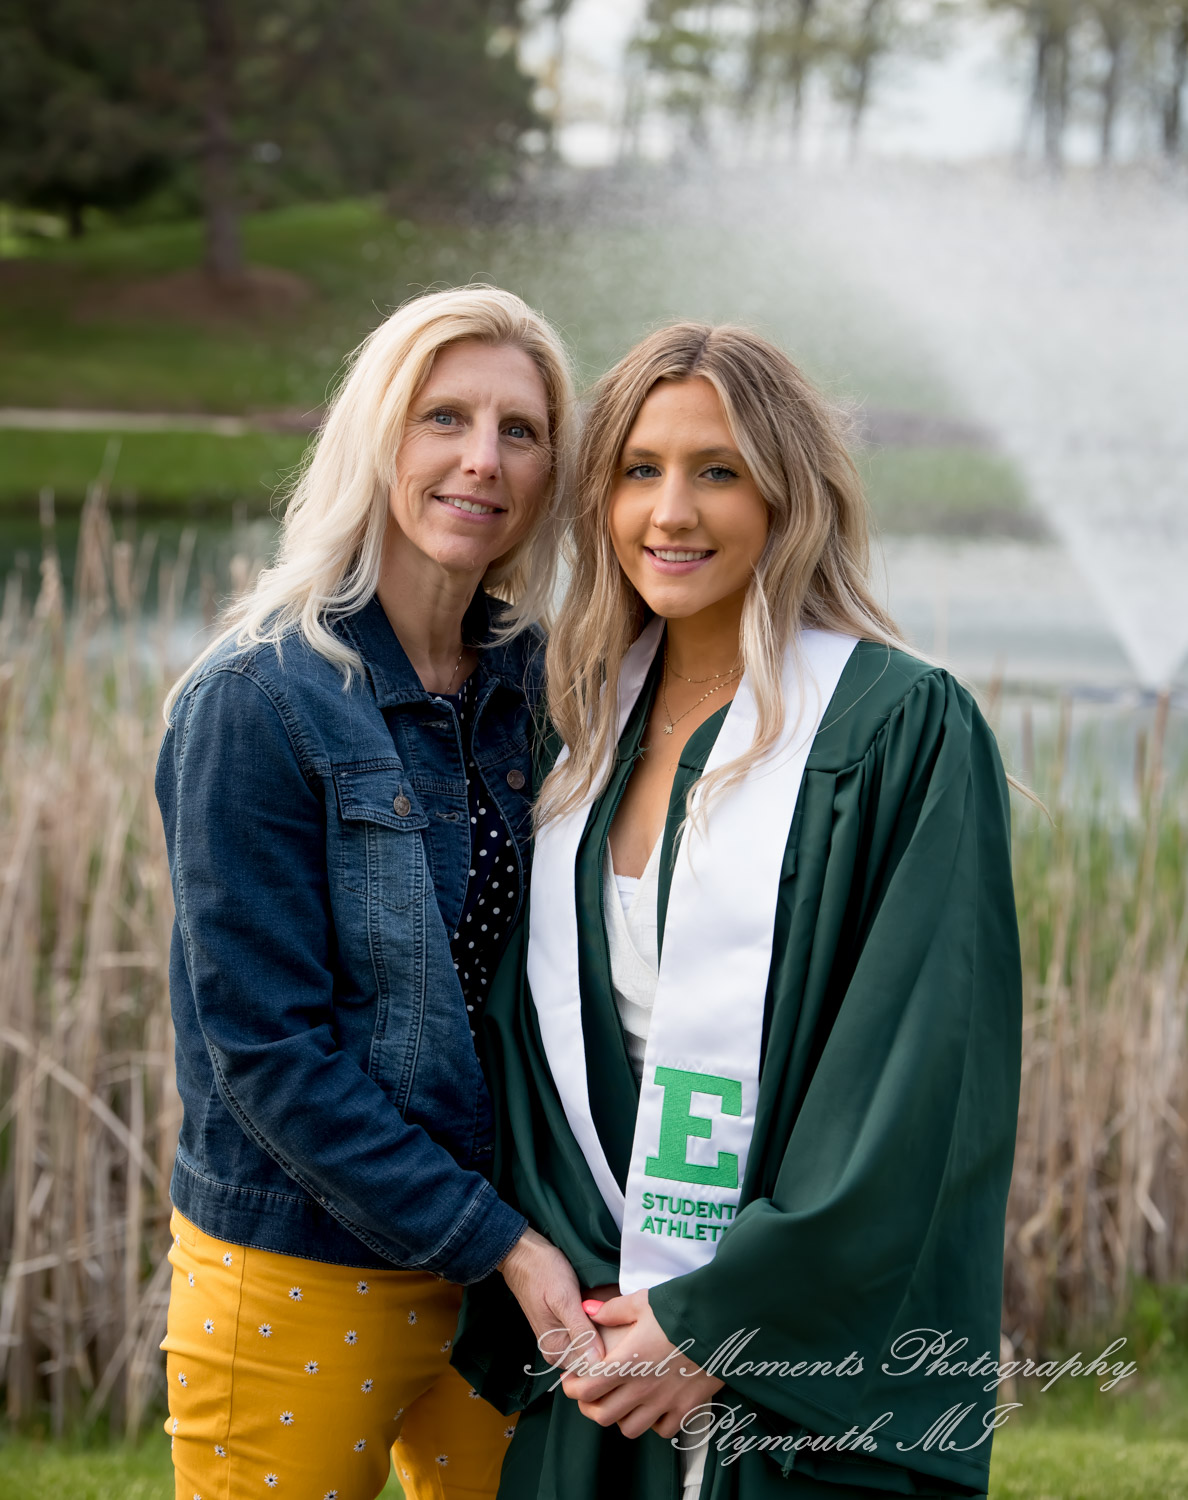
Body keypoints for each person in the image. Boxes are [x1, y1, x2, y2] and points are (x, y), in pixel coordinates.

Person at [453, 322, 1023, 1500]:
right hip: (600, 1354)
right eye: (639, 470)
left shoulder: (896, 727)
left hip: (785, 1367)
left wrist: (718, 1324)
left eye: (717, 470)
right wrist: (596, 1315)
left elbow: (914, 1074)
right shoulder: (568, 722)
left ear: (788, 493)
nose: (673, 511)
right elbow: (522, 1044)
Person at [154, 287, 601, 1500]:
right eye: (442, 417)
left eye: (520, 429)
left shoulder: (547, 685)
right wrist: (498, 1240)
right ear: (376, 437)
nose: (482, 460)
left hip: (512, 1284)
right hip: (303, 1271)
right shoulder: (258, 700)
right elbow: (265, 1052)